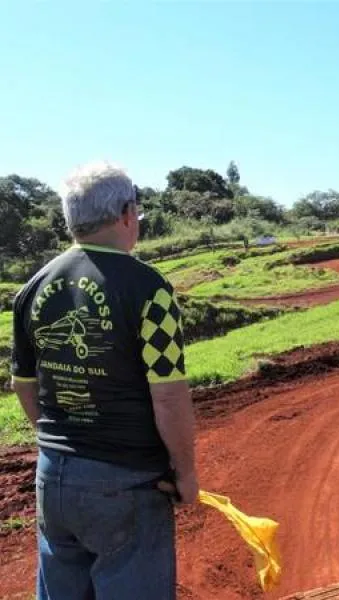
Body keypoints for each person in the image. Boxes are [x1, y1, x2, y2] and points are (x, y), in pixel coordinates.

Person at [11, 160, 199, 600]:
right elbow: (169, 397)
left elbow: (23, 383)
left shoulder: (33, 287)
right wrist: (186, 472)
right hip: (126, 482)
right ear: (127, 214)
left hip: (53, 477)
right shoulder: (149, 289)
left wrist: (61, 445)